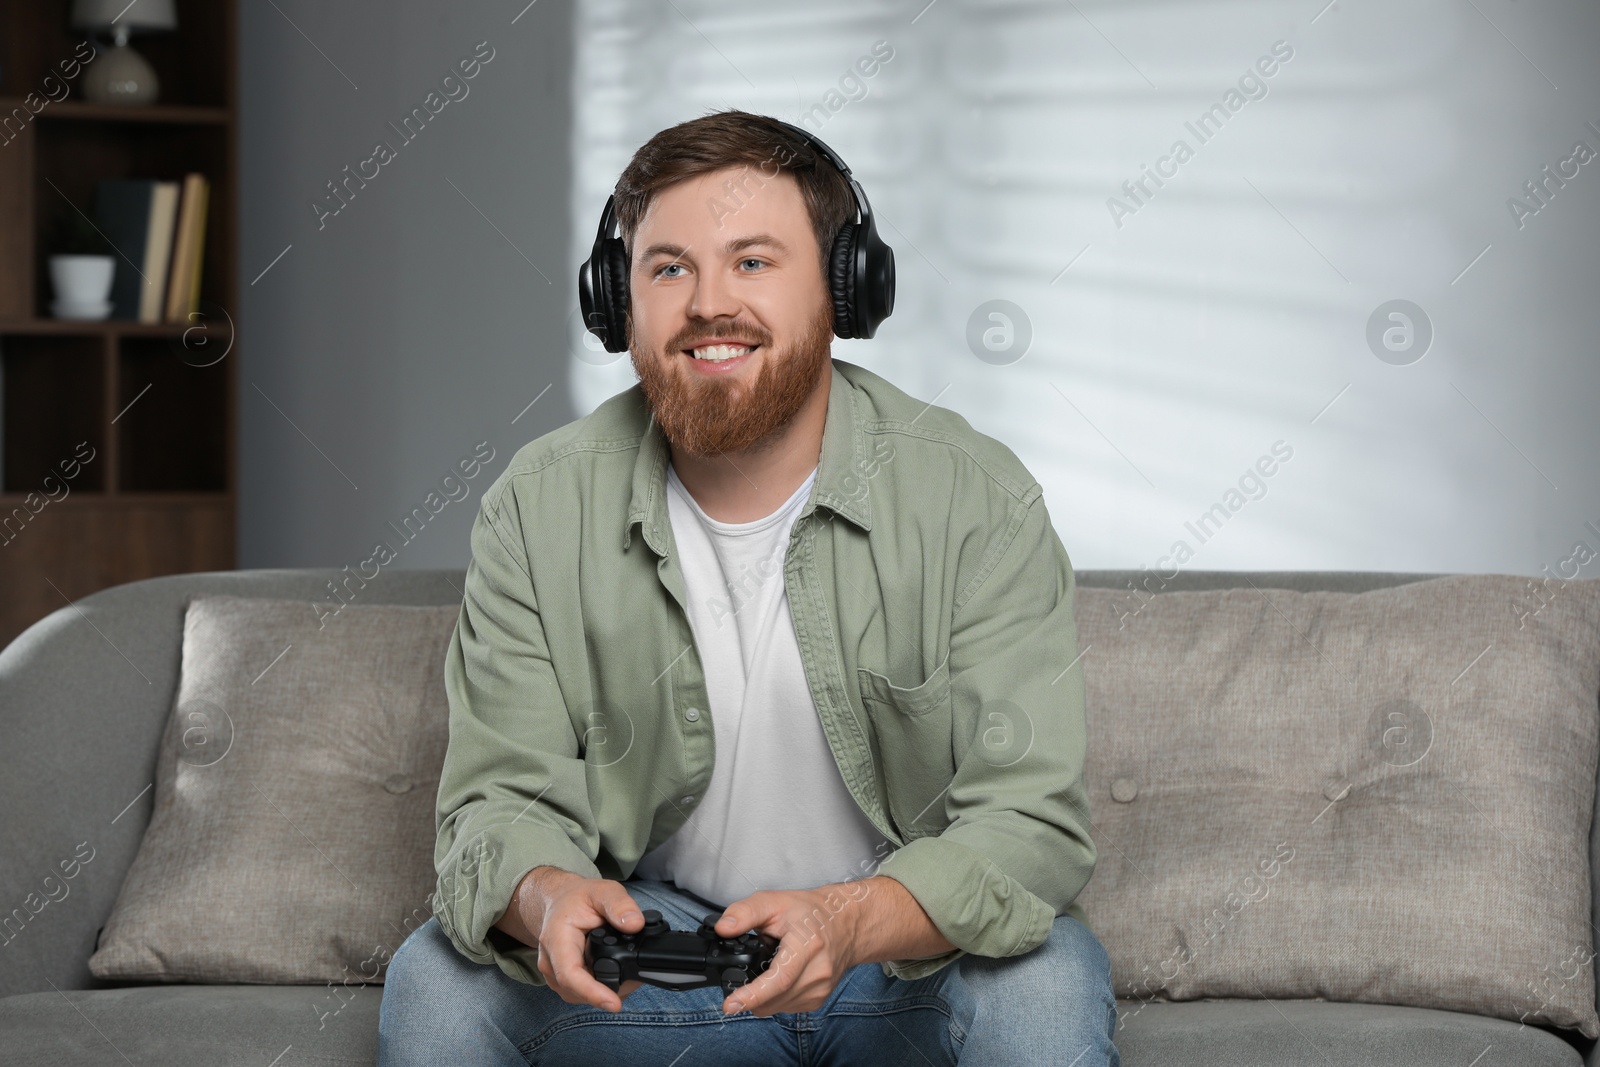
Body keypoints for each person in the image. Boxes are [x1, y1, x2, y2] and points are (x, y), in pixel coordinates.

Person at [378, 108, 1119, 1066]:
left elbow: (1029, 822)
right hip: (655, 970)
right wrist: (548, 895)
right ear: (617, 301)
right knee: (439, 978)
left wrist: (851, 922)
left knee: (1047, 978)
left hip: (899, 955)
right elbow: (495, 801)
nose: (707, 304)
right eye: (668, 267)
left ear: (845, 290)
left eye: (755, 262)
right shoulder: (537, 506)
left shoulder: (977, 500)